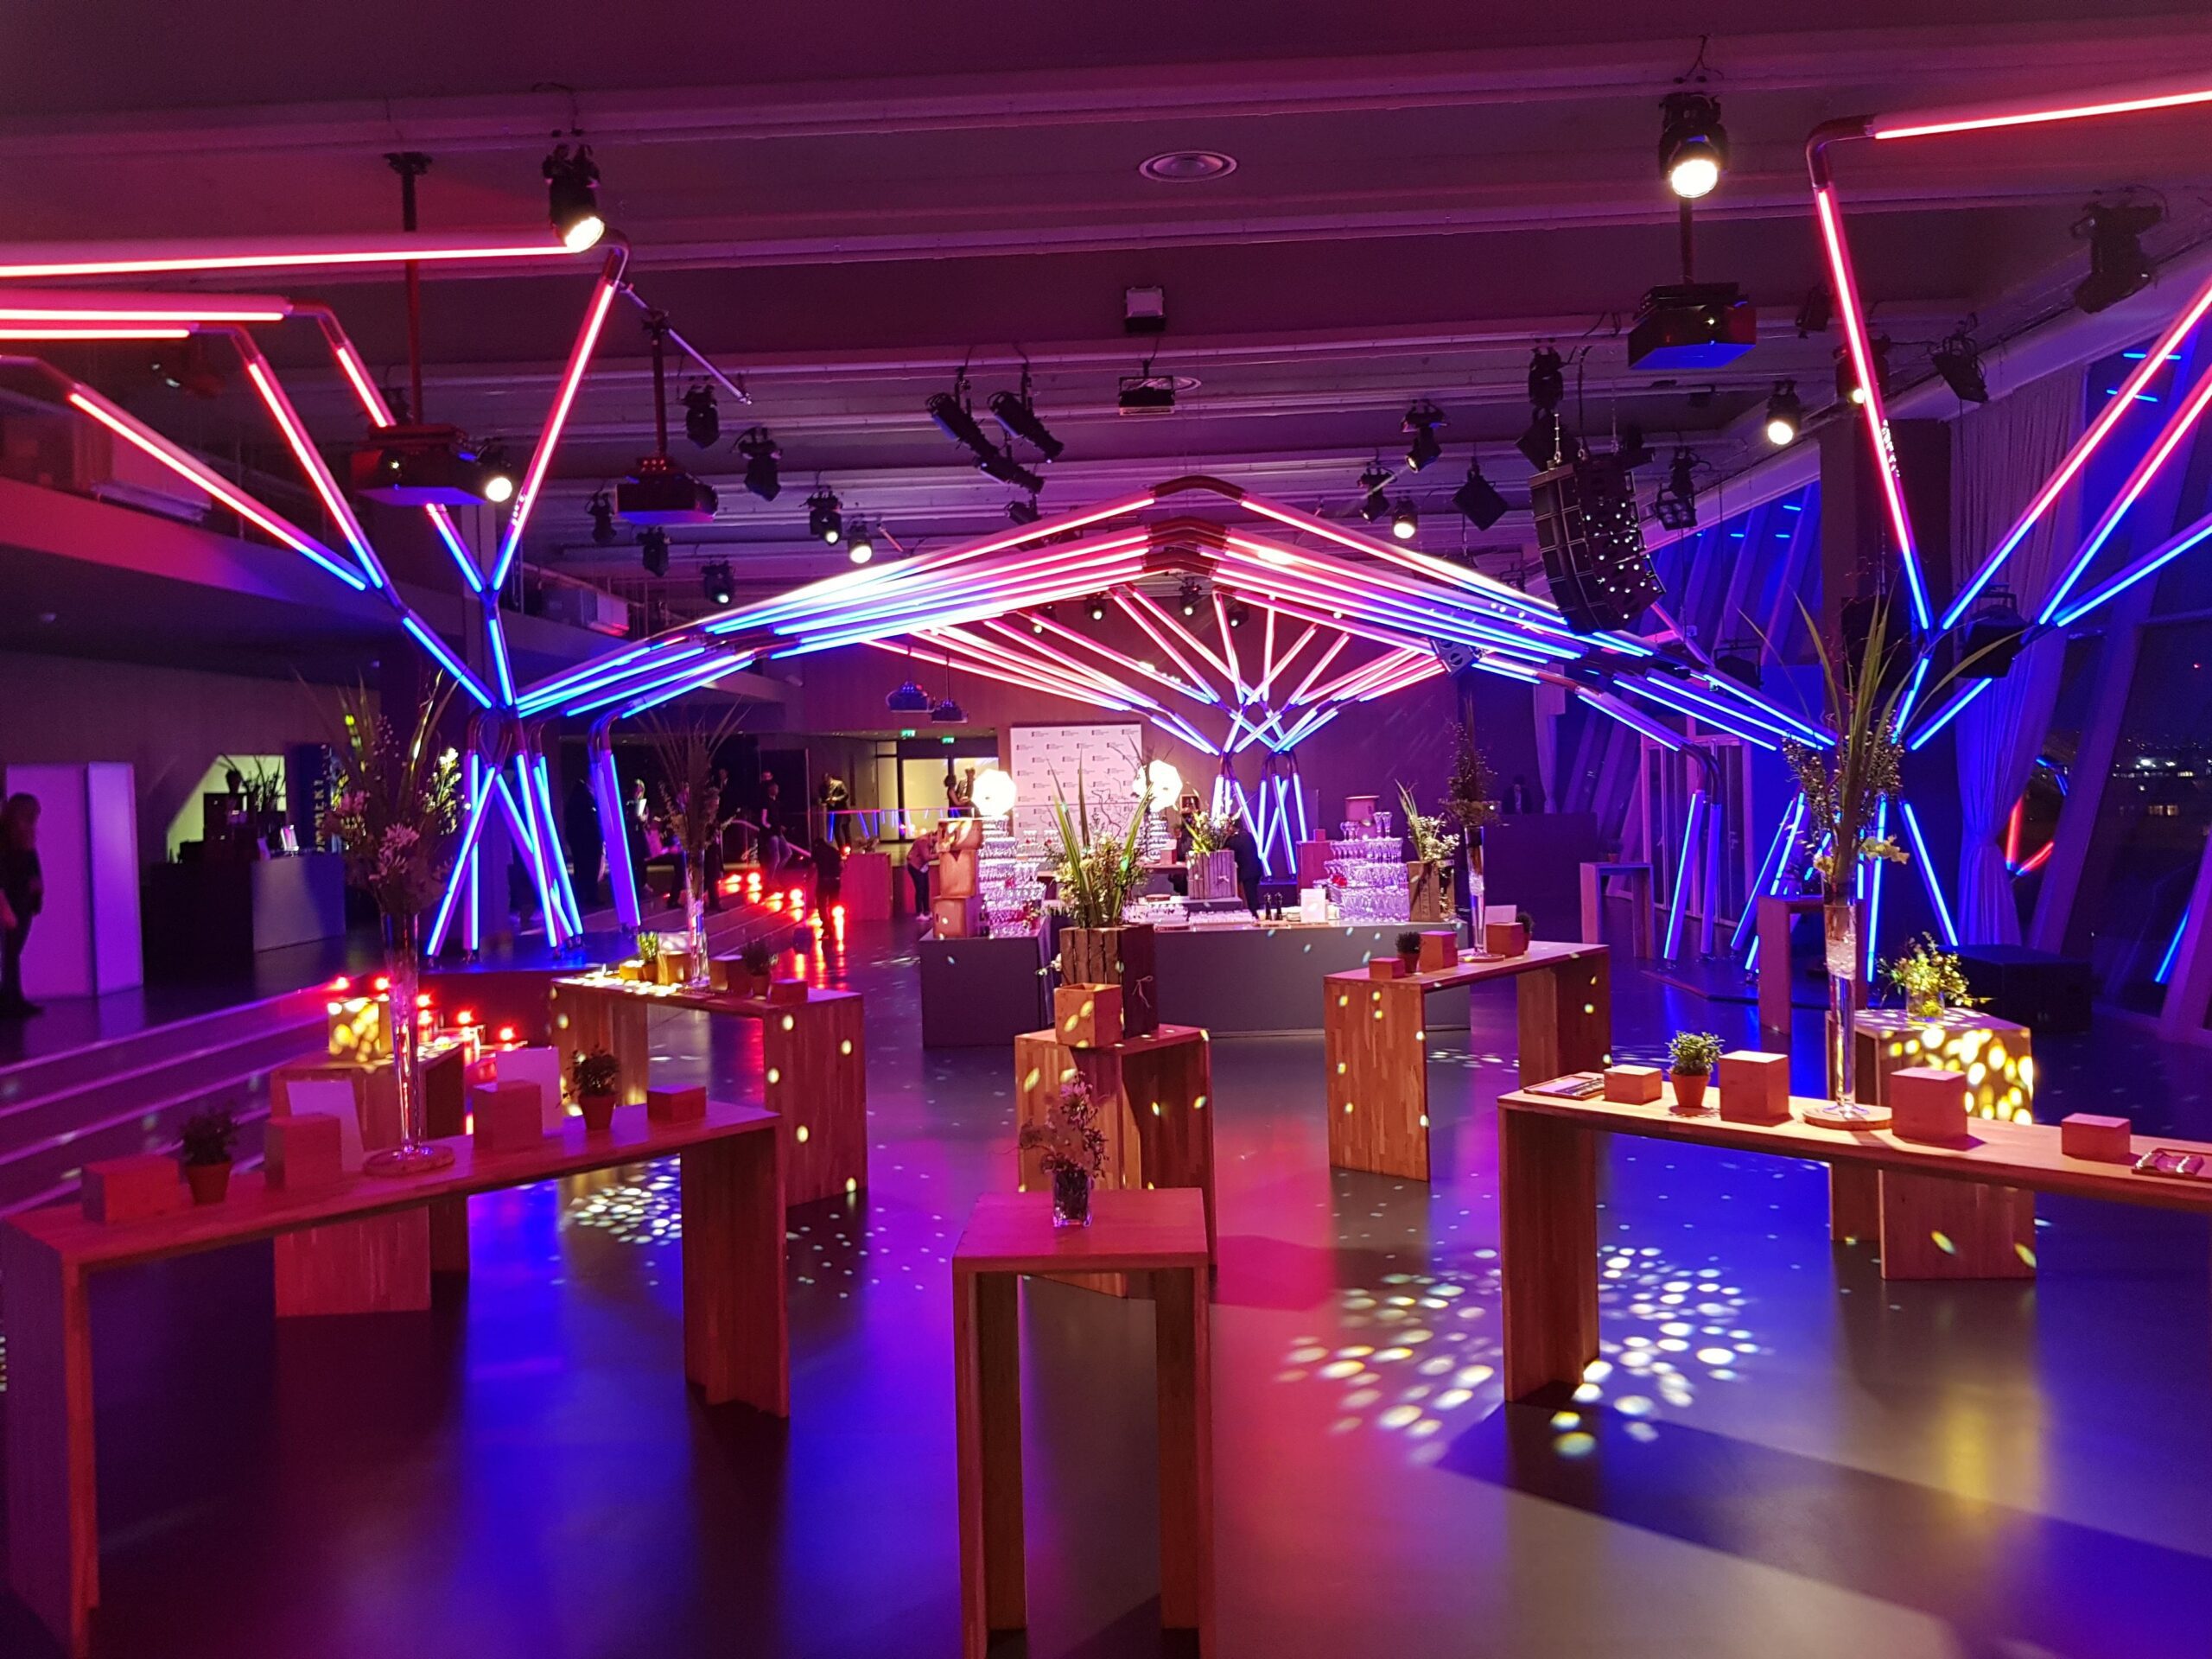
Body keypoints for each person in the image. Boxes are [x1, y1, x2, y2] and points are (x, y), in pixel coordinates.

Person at [0, 793, 42, 1017]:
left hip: (22, 901)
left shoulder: (25, 838)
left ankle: (13, 998)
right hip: (9, 900)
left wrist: (37, 895)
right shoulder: (6, 839)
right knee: (10, 952)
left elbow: (33, 868)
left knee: (13, 953)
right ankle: (10, 1000)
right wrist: (5, 907)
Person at [563, 775, 602, 907]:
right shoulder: (584, 797)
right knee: (588, 867)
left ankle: (585, 895)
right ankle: (589, 896)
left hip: (582, 840)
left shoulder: (580, 796)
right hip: (586, 840)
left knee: (583, 868)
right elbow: (589, 820)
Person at [904, 832, 936, 915]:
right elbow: (926, 857)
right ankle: (919, 912)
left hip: (923, 867)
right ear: (935, 835)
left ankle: (927, 911)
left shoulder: (931, 843)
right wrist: (939, 855)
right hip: (915, 867)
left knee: (926, 889)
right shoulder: (923, 841)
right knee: (920, 889)